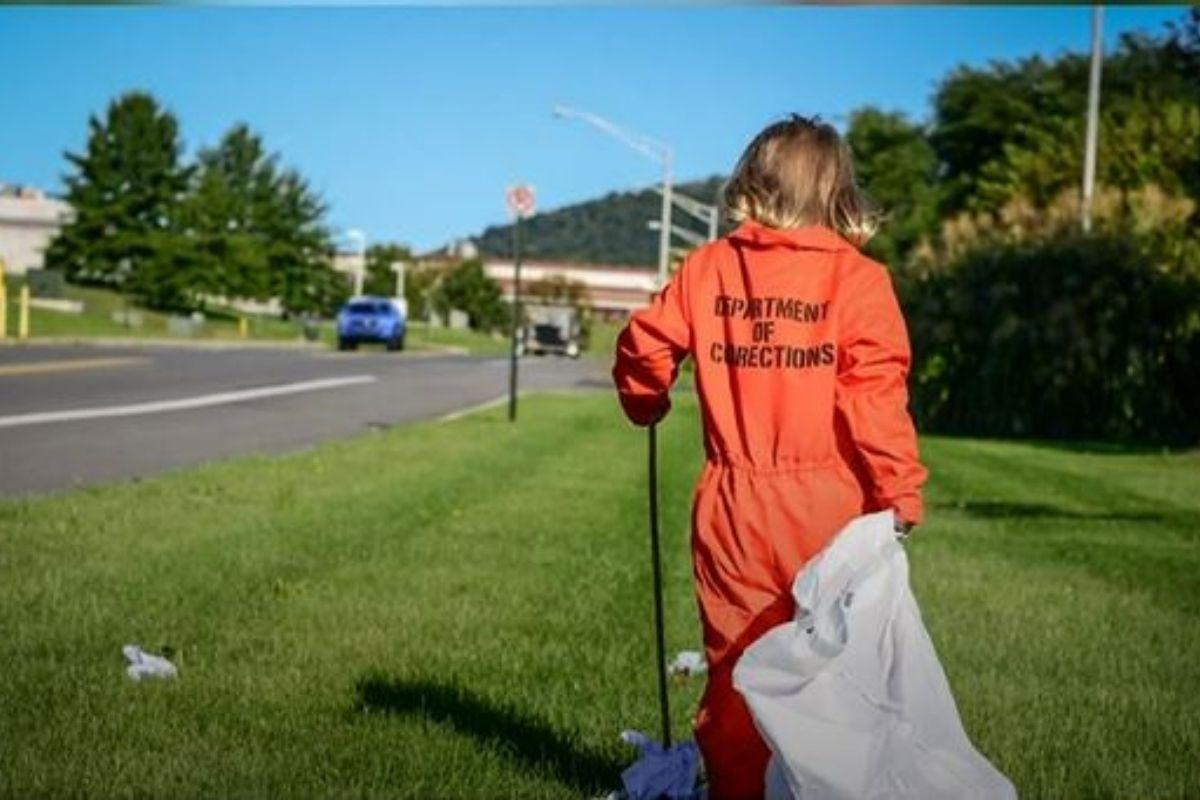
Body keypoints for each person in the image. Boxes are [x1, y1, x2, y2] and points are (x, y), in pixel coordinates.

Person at [611, 114, 928, 800]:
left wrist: (646, 400)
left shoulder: (709, 267)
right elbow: (875, 396)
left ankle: (739, 787)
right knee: (833, 667)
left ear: (751, 182)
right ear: (838, 190)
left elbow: (645, 342)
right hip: (832, 507)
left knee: (736, 665)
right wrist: (900, 494)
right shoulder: (860, 281)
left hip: (734, 506)